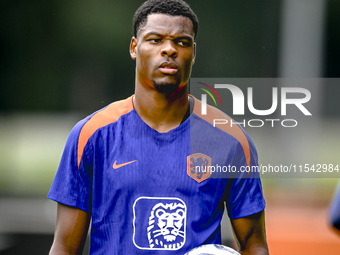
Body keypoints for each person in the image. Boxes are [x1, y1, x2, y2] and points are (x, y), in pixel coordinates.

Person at [48, 0, 269, 254]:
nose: (169, 50)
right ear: (134, 47)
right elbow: (64, 247)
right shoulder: (91, 135)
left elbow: (254, 243)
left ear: (193, 53)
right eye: (155, 40)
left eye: (182, 42)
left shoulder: (230, 140)